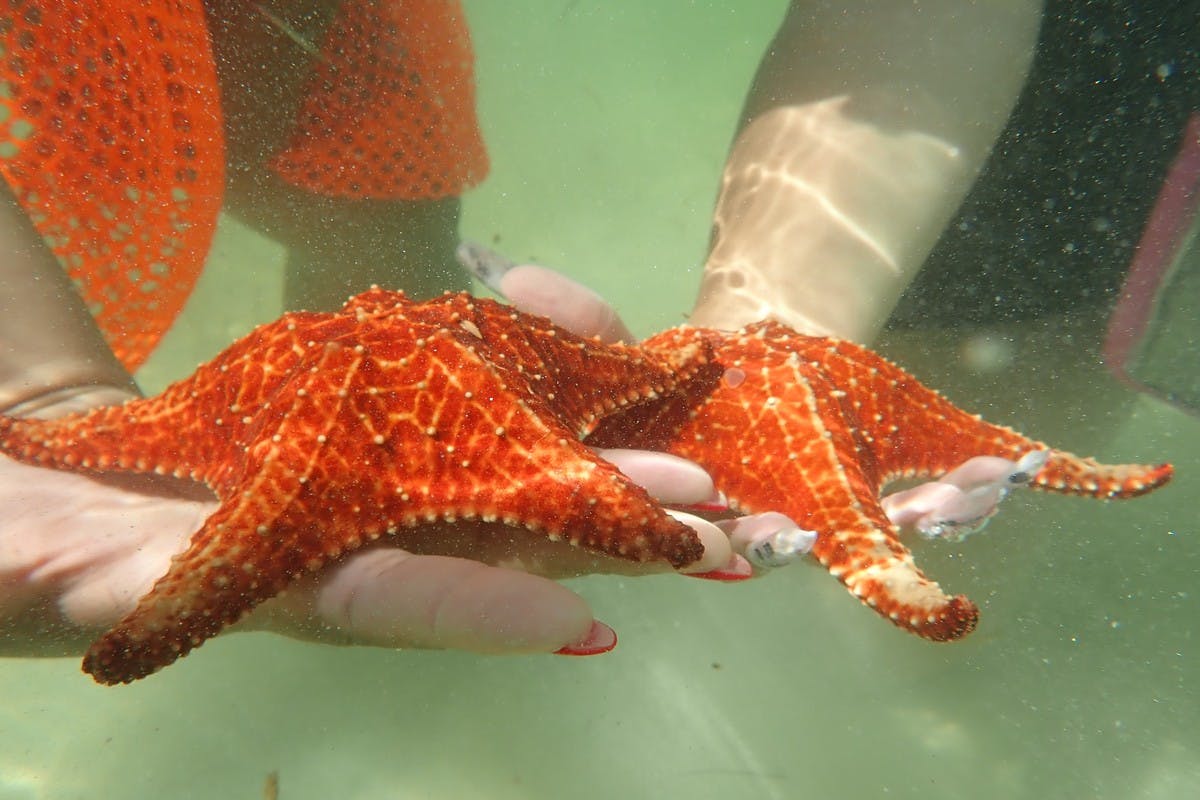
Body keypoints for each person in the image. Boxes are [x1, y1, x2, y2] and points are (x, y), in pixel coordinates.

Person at [0, 1, 1043, 666]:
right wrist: (36, 402)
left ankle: (386, 582)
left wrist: (761, 350)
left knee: (378, 226)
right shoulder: (328, 356)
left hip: (324, 34)